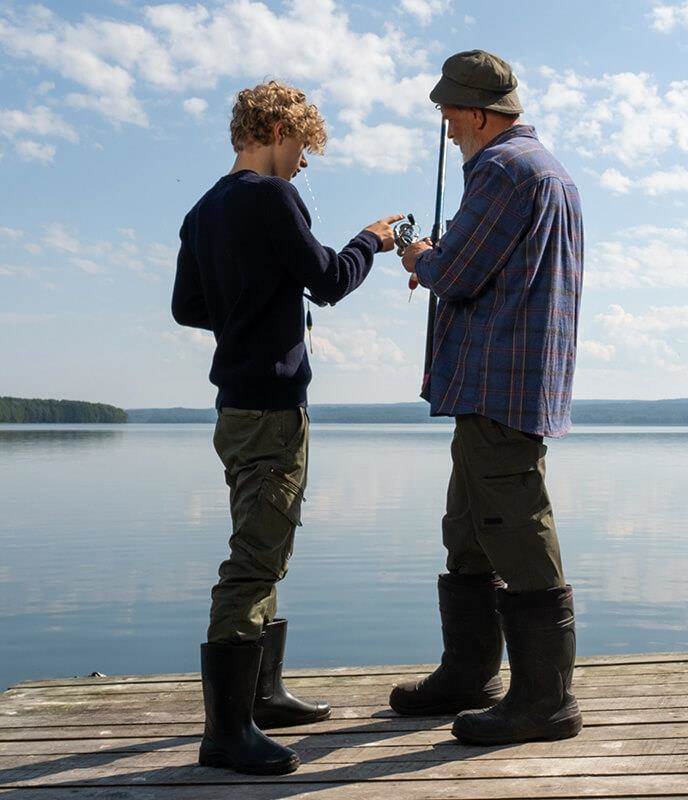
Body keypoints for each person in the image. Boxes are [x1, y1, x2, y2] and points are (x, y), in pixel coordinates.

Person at [172, 80, 405, 775]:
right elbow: (329, 279)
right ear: (277, 130)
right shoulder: (273, 198)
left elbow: (189, 307)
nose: (305, 162)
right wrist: (373, 239)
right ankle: (226, 735)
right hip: (272, 409)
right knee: (255, 562)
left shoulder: (203, 209)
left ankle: (263, 696)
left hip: (233, 409)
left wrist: (246, 309)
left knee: (263, 543)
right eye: (304, 146)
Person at [392, 50, 585, 746]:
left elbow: (459, 273)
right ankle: (470, 676)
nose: (447, 131)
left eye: (450, 117)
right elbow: (485, 265)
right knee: (469, 529)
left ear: (477, 115)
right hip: (504, 381)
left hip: (498, 382)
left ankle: (545, 702)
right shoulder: (541, 169)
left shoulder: (504, 170)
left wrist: (418, 257)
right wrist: (445, 259)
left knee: (517, 531)